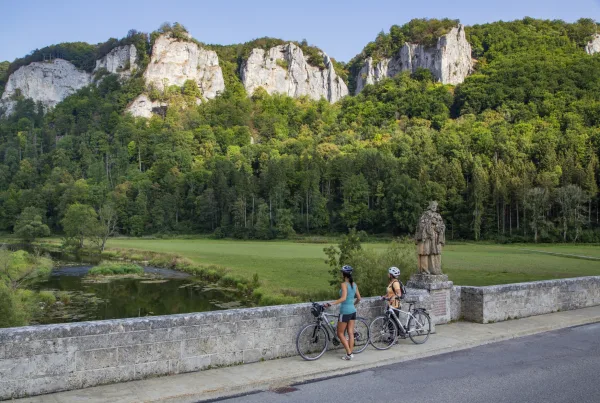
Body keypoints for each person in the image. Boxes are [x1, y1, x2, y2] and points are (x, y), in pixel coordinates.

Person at [325, 265, 361, 360]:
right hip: (353, 310)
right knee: (350, 333)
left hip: (345, 311)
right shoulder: (354, 284)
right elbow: (359, 298)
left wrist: (332, 303)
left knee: (340, 333)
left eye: (341, 272)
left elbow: (343, 298)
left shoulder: (344, 284)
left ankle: (349, 354)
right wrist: (353, 304)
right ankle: (350, 352)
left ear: (344, 274)